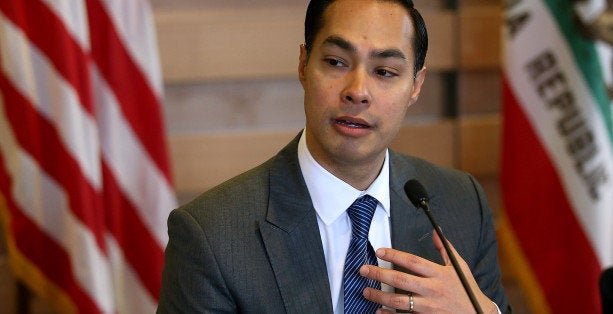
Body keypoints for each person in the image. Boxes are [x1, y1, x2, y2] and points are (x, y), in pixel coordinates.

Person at [158, 0, 510, 313]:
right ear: (303, 64)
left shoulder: (461, 203)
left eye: (385, 71)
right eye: (337, 62)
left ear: (416, 86)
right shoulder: (213, 235)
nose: (357, 92)